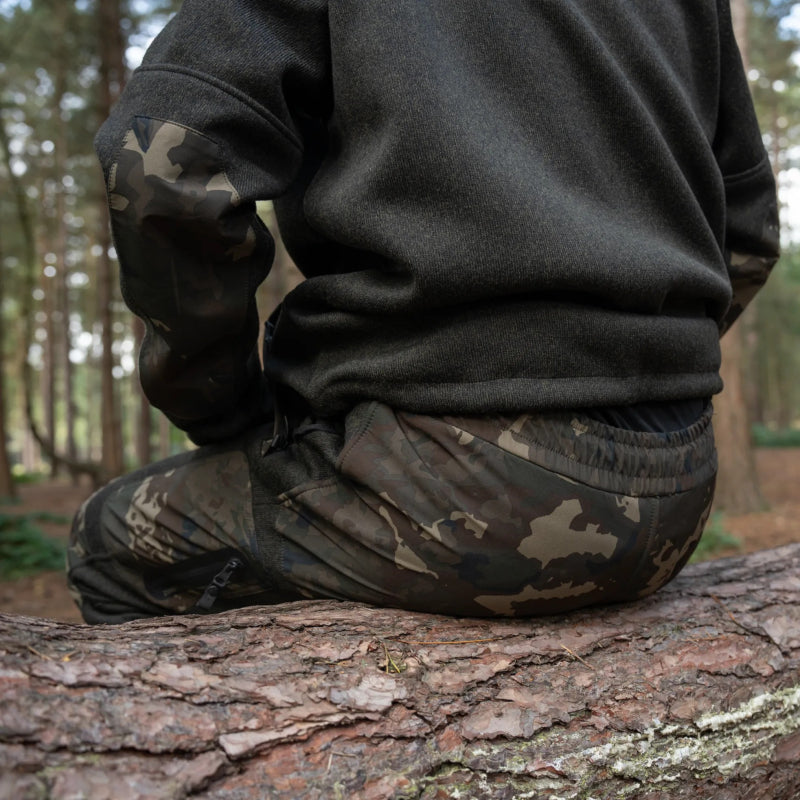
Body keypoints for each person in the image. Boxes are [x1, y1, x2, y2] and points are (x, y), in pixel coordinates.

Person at [68, 0, 779, 623]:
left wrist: (222, 410)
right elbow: (746, 231)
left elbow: (161, 162)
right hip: (680, 487)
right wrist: (636, 367)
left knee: (105, 543)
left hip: (458, 494)